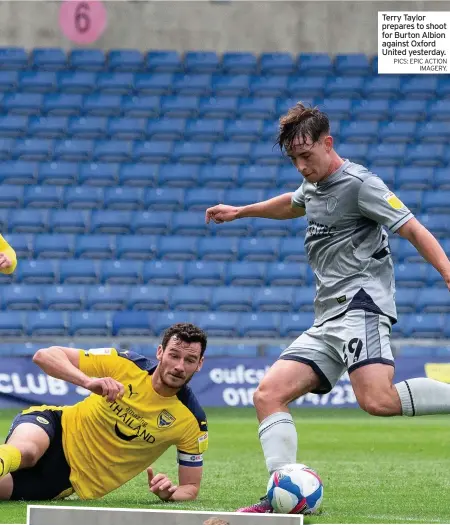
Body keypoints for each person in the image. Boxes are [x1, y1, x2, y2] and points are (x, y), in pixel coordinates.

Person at [205, 102, 450, 513]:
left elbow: (411, 226)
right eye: (294, 159)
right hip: (327, 318)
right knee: (268, 394)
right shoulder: (314, 185)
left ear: (327, 143)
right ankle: (280, 493)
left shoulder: (360, 184)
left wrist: (446, 269)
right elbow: (292, 202)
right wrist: (241, 211)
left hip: (361, 305)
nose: (301, 166)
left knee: (377, 401)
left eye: (307, 156)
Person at [0, 323, 209, 502]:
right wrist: (88, 381)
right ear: (160, 352)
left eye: (189, 360)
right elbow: (44, 356)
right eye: (174, 355)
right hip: (57, 426)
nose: (179, 366)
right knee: (27, 452)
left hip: (68, 477)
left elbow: (190, 487)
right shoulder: (125, 363)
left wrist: (170, 494)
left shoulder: (192, 421)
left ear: (199, 364)